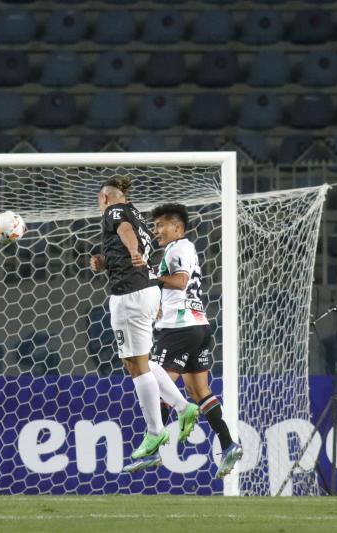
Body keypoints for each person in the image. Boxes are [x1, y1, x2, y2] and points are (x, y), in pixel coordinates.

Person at [90, 177, 199, 473]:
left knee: (135, 365)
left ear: (105, 198)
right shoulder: (136, 213)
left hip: (129, 295)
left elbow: (125, 233)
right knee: (142, 362)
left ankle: (155, 431)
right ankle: (182, 407)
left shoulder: (114, 210)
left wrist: (133, 249)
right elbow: (127, 243)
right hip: (145, 291)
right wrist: (106, 261)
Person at [150, 203, 243, 479]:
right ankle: (227, 444)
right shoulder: (179, 250)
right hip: (198, 326)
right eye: (155, 226)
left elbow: (179, 282)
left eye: (161, 225)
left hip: (179, 328)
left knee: (161, 387)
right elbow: (179, 288)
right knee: (198, 390)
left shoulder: (179, 248)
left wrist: (152, 278)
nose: (157, 231)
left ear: (177, 227)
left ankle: (153, 446)